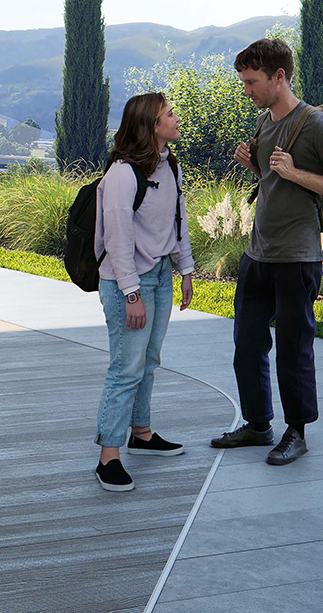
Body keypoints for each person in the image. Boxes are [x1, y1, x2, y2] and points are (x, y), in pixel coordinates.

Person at [211, 37, 323, 466]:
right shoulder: (265, 123)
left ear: (279, 76)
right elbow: (277, 182)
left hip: (297, 257)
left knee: (294, 347)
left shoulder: (316, 124)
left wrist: (294, 172)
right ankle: (259, 426)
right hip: (258, 254)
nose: (247, 90)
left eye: (253, 81)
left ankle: (297, 431)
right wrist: (255, 167)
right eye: (243, 82)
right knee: (247, 344)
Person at [92, 92, 197, 493]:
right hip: (126, 282)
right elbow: (117, 239)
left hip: (159, 275)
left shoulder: (169, 164)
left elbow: (177, 220)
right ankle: (108, 458)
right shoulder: (122, 174)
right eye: (170, 114)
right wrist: (131, 293)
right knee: (125, 369)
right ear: (152, 125)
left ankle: (143, 433)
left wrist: (185, 269)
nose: (176, 118)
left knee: (148, 361)